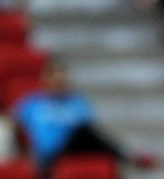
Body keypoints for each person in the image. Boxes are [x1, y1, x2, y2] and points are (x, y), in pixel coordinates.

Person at [12, 62, 150, 171]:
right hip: (50, 152)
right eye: (56, 82)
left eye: (62, 82)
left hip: (75, 149)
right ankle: (126, 156)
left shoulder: (78, 102)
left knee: (89, 135)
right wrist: (23, 153)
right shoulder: (32, 104)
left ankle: (122, 161)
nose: (59, 85)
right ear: (46, 80)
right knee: (85, 132)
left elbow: (90, 132)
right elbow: (16, 127)